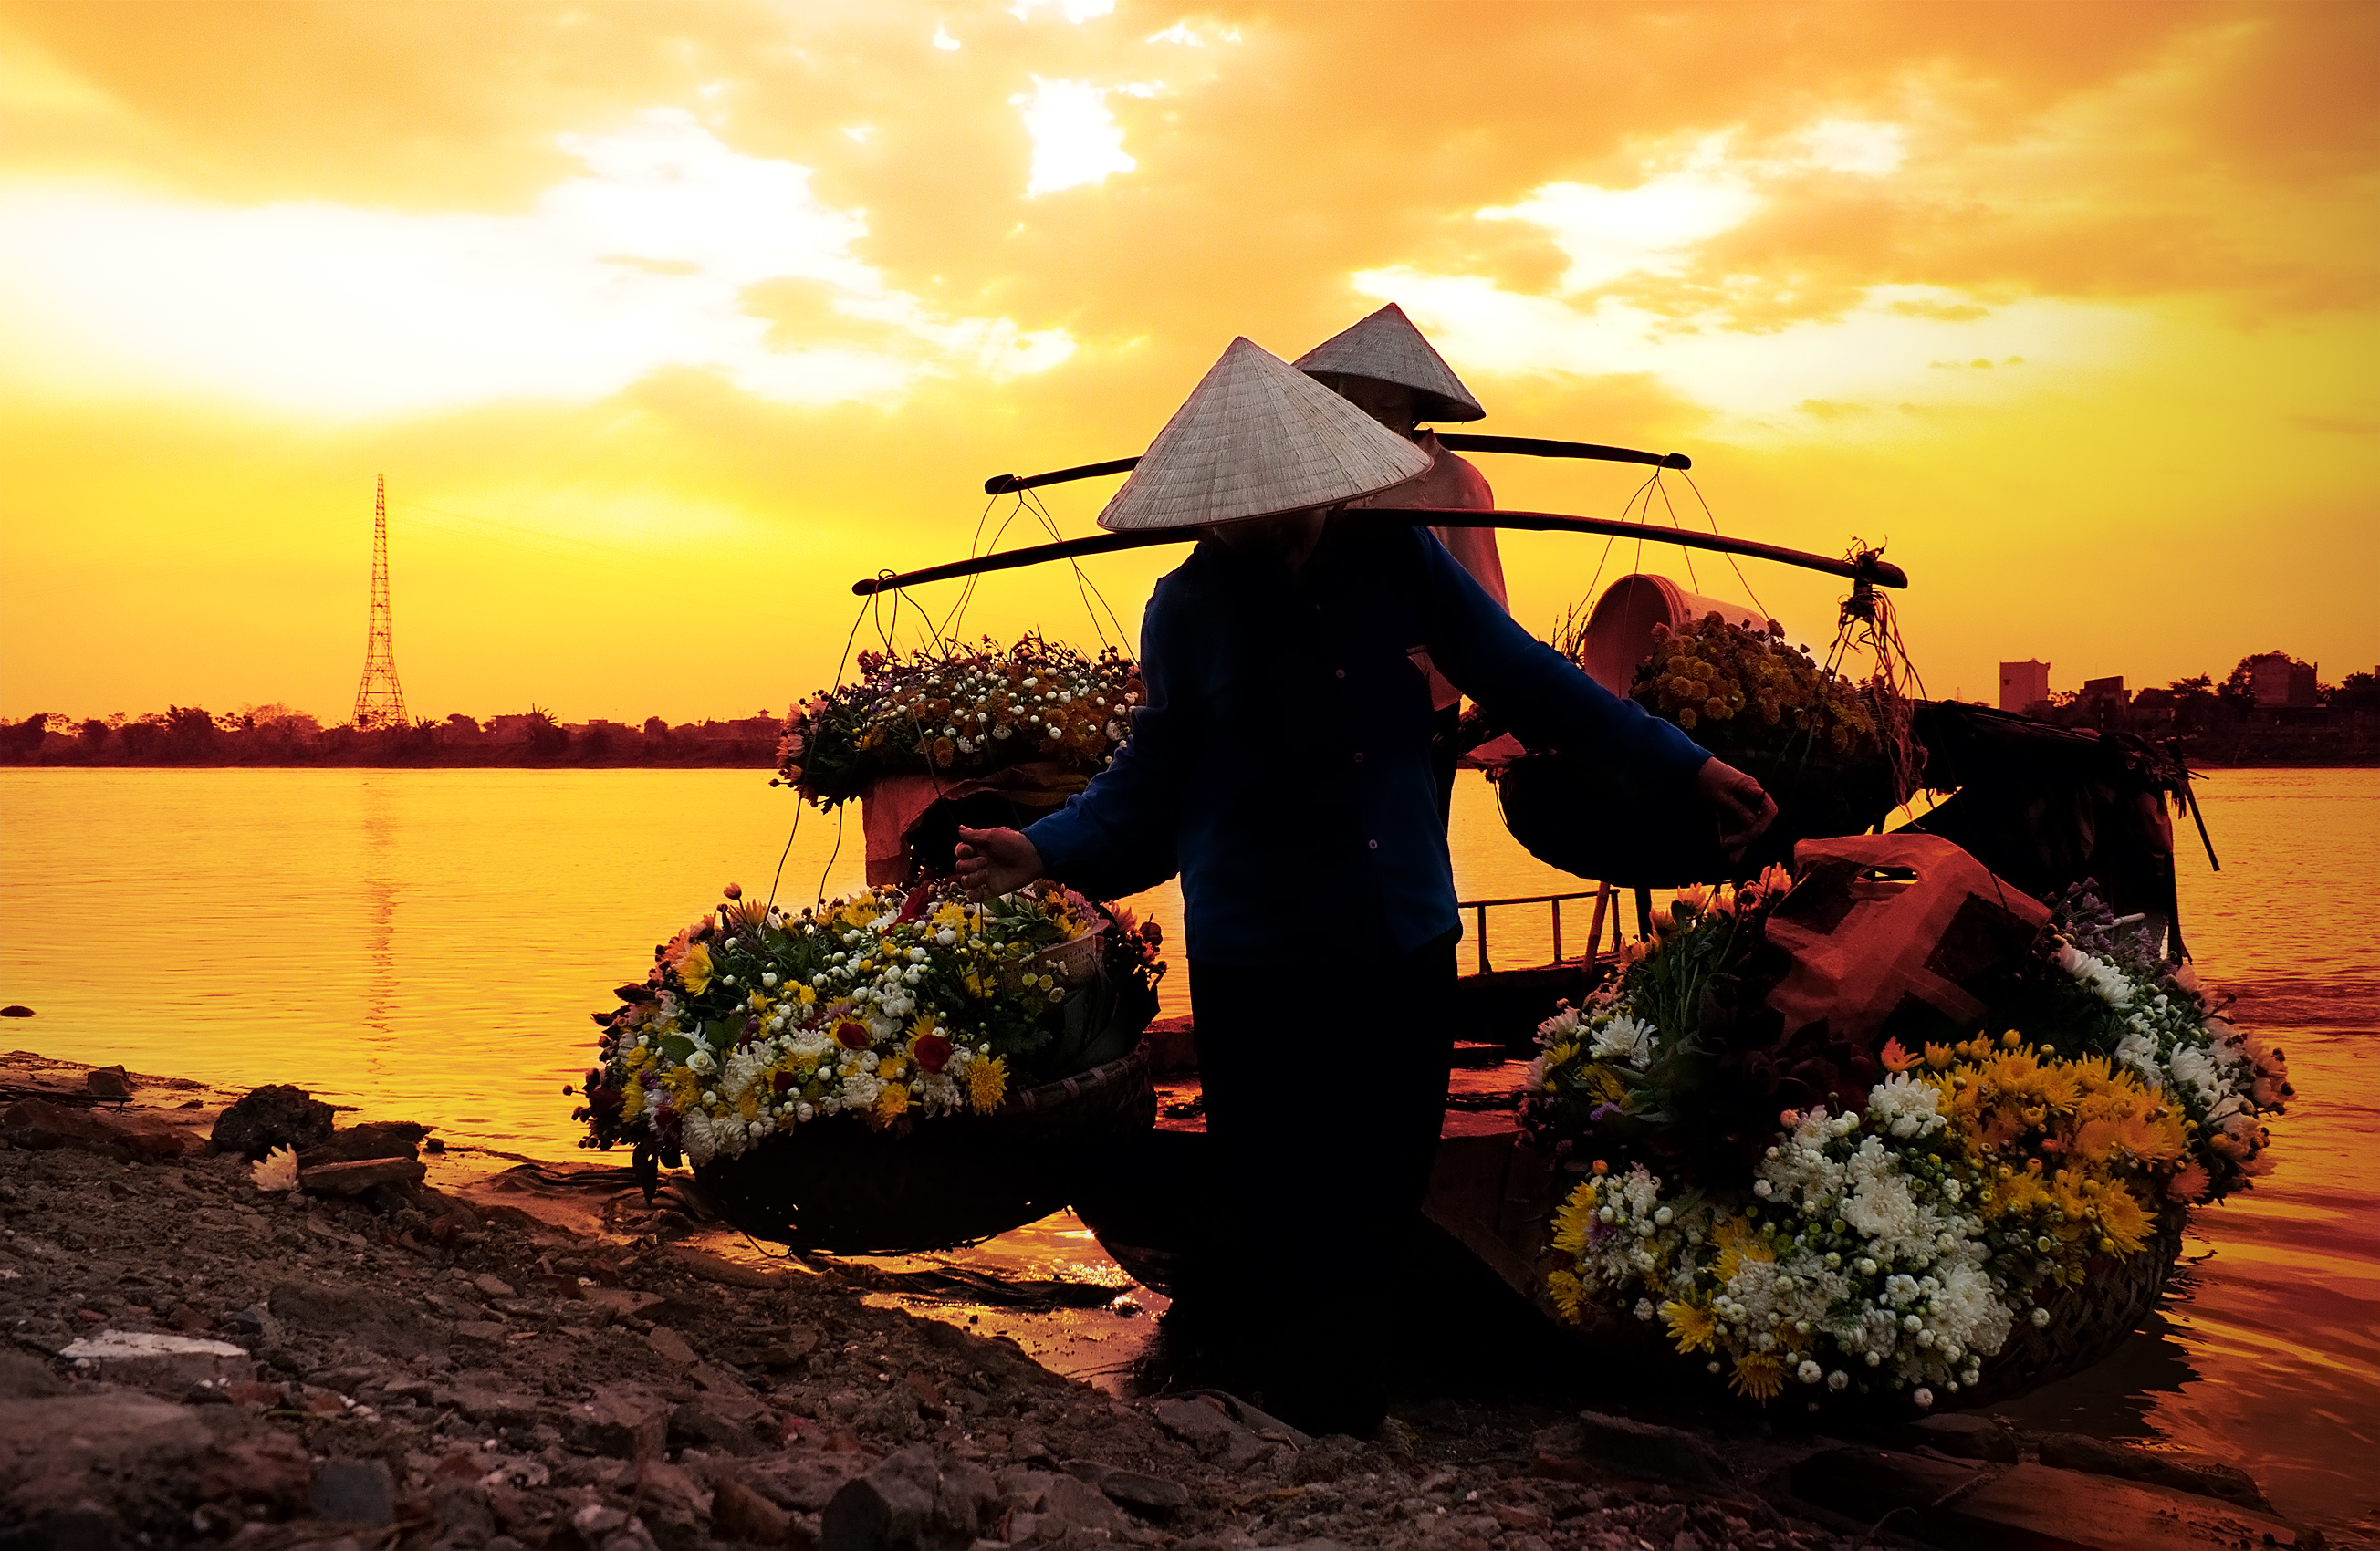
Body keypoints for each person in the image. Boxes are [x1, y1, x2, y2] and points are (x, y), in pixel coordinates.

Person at [955, 338, 1775, 1437]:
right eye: (1256, 515)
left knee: (1383, 1180)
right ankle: (1288, 1404)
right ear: (1216, 510)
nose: (1284, 530)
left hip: (1402, 935)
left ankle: (1344, 1405)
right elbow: (1146, 780)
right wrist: (1043, 849)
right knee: (1279, 1188)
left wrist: (1687, 765)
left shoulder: (1399, 562)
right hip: (1260, 949)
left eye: (1297, 506)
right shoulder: (1187, 608)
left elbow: (1530, 677)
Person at [1297, 302, 1503, 825]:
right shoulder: (1318, 476)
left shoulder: (1456, 482)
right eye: (1352, 401)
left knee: (1416, 829)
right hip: (1318, 691)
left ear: (1411, 410)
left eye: (1382, 405)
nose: (1365, 416)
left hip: (1420, 699)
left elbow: (1485, 607)